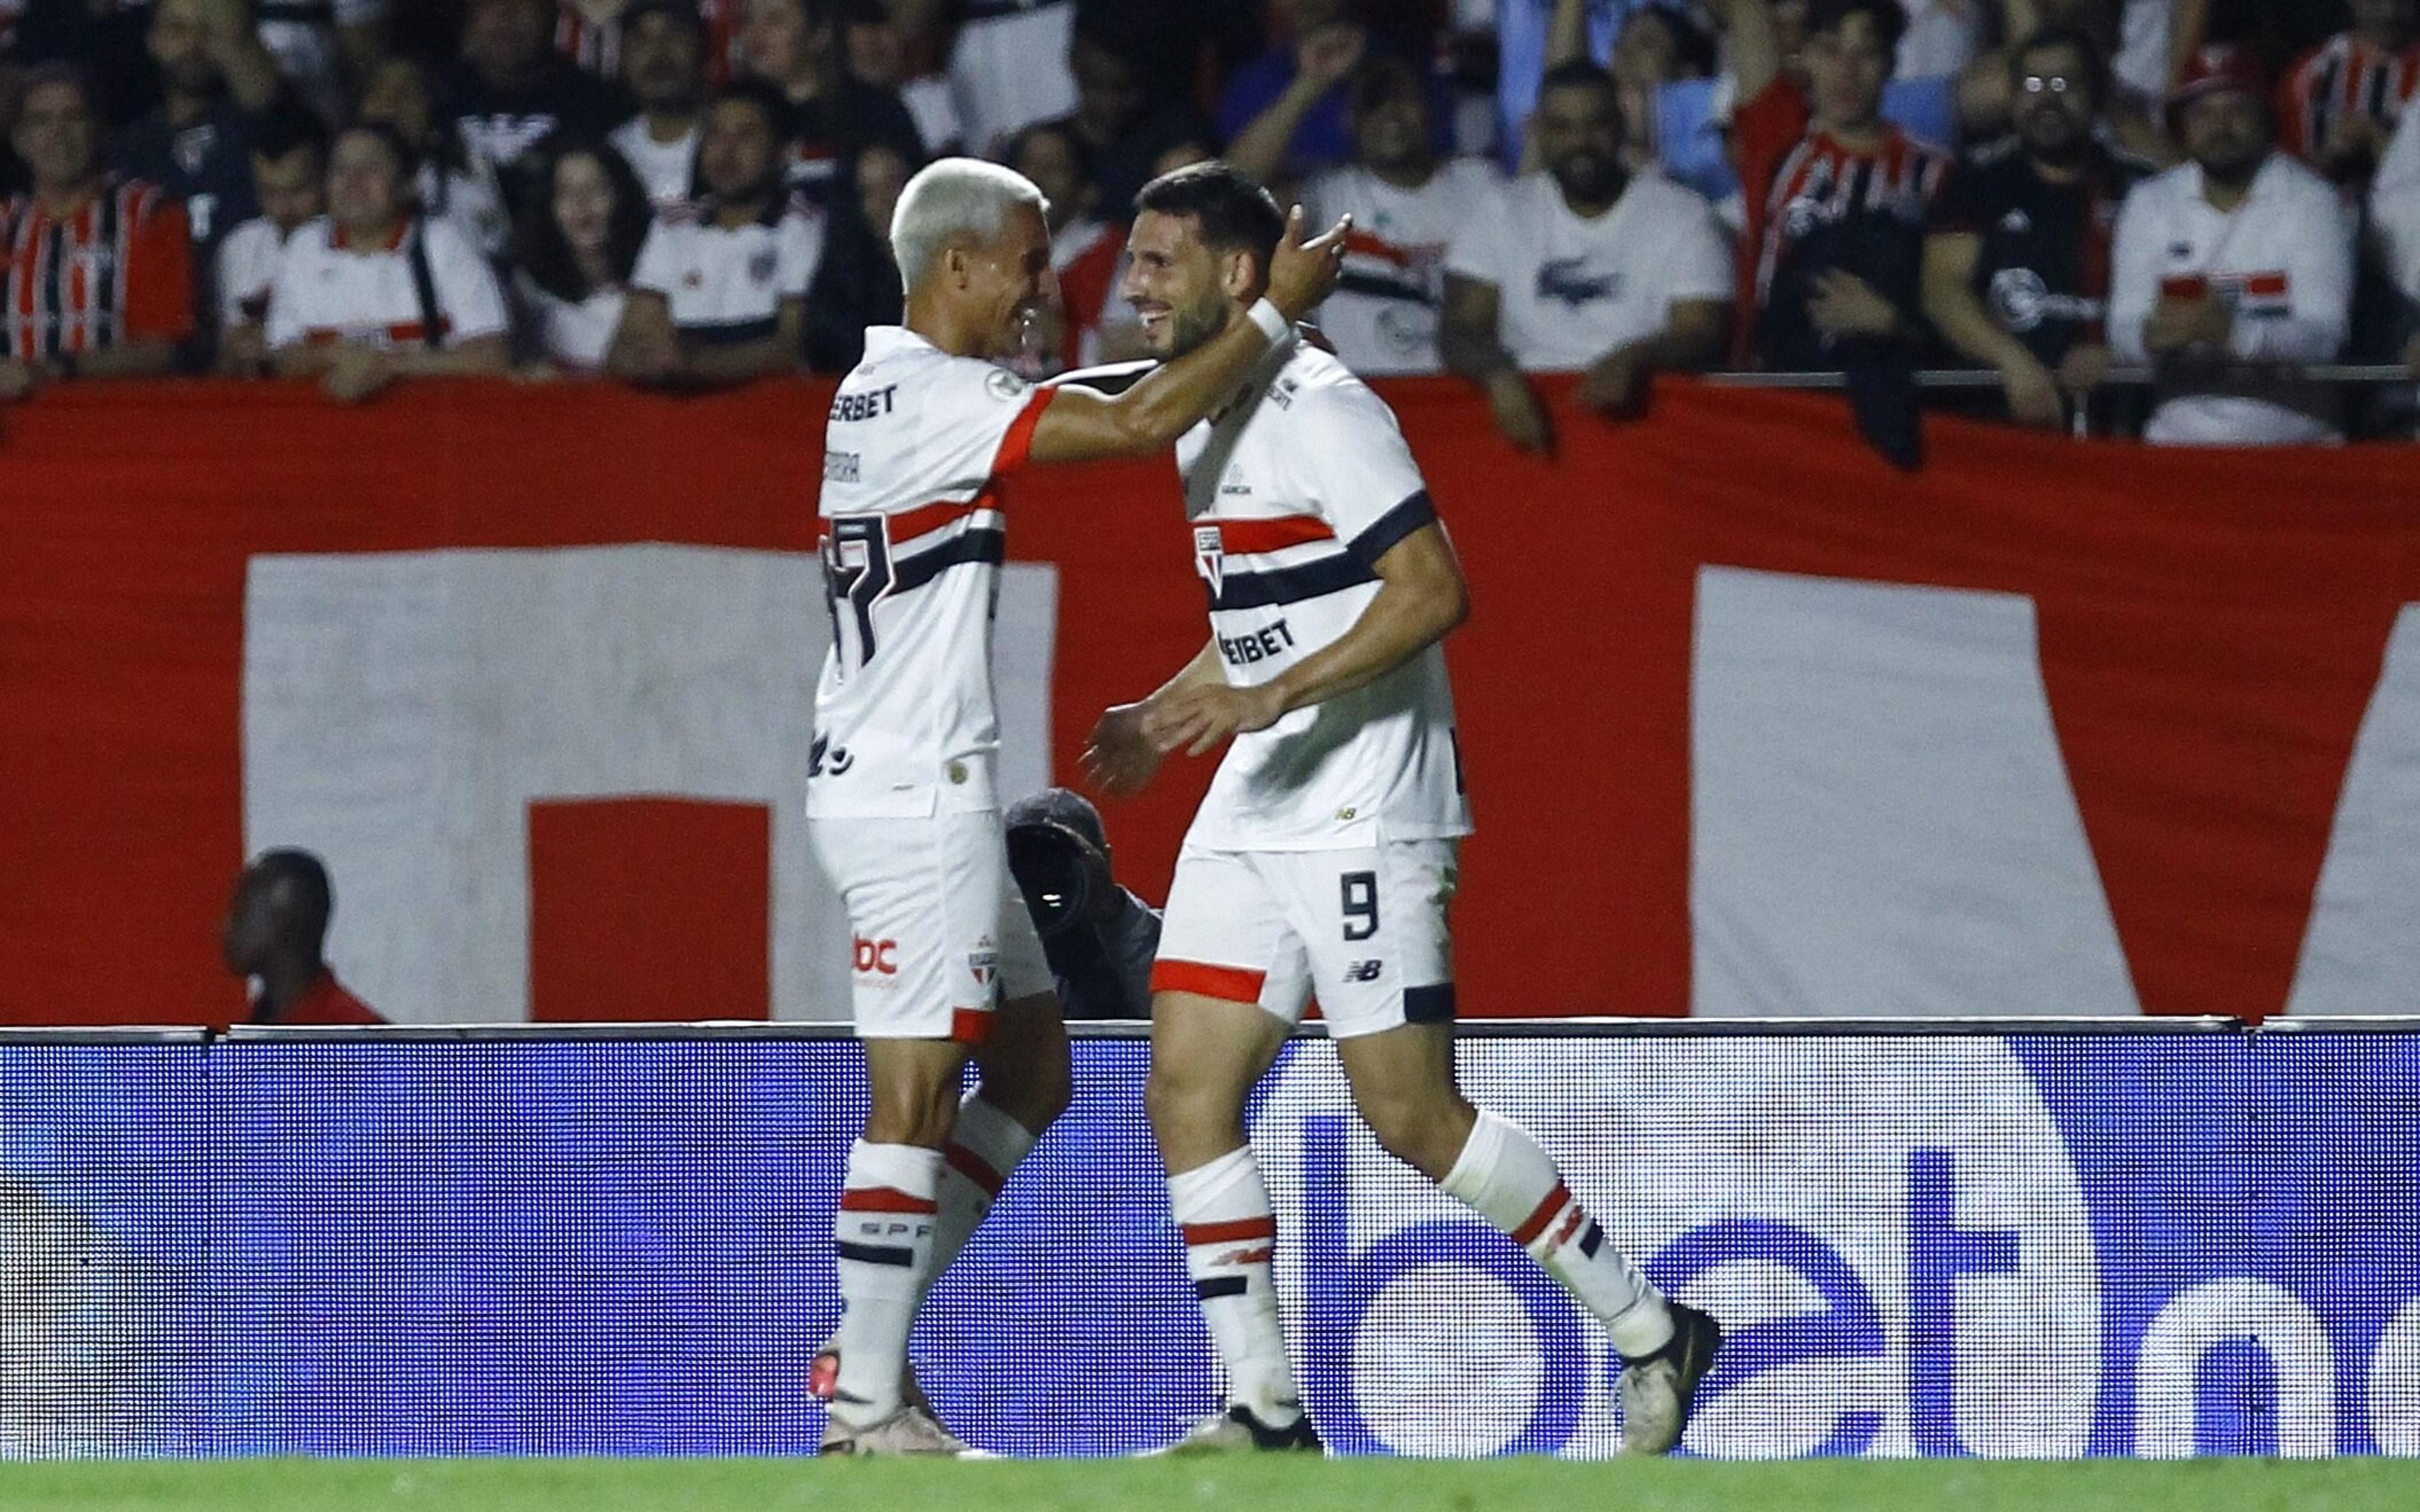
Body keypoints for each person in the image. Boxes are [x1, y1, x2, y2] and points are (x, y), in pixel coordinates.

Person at [1081, 159, 1721, 1458]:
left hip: (1371, 800)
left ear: (1239, 275)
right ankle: (1263, 1410)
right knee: (1183, 1091)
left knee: (1409, 1116)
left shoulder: (1325, 407)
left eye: (1158, 261)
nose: (1133, 286)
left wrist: (1276, 700)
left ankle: (1655, 1328)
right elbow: (1264, 623)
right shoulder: (1207, 420)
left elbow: (1432, 589)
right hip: (1261, 800)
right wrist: (1167, 711)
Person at [802, 156, 1346, 1456]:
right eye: (1033, 263)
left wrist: (1216, 343)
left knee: (1036, 1070)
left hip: (922, 787)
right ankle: (865, 1405)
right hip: (906, 797)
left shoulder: (899, 386)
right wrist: (1268, 315)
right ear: (958, 267)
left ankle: (868, 1348)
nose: (1052, 288)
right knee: (919, 1095)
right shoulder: (932, 398)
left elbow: (1091, 398)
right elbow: (1142, 425)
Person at [1439, 60, 1731, 452]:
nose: (1581, 142)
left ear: (1621, 125)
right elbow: (1460, 326)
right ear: (1539, 132)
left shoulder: (1682, 214)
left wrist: (1637, 359)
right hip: (1526, 432)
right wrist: (1498, 374)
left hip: (1650, 433)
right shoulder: (1500, 212)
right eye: (1562, 128)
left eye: (1596, 124)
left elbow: (1703, 331)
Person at [2108, 42, 2355, 445]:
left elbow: (2325, 335)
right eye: (2203, 113)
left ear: (2264, 119)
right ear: (2182, 126)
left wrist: (2232, 333)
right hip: (2179, 445)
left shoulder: (2312, 200)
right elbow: (2123, 328)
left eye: (2237, 110)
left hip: (2297, 445)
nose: (2220, 126)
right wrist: (2150, 337)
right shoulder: (2151, 201)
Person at [1230, 44, 1502, 379]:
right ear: (1350, 120)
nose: (1390, 114)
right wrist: (1310, 84)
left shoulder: (1481, 184)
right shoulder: (1328, 195)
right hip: (1359, 399)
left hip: (1460, 399)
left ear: (1431, 110)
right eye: (1373, 103)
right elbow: (1232, 189)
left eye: (1403, 99)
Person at [1922, 26, 2141, 428]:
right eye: (2032, 84)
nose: (2047, 99)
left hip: (2120, 424)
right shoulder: (1977, 183)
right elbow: (1941, 289)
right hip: (2002, 422)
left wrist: (2124, 354)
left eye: (2064, 83)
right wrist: (2012, 361)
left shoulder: (2141, 189)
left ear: (2095, 94)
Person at [1728, 0, 1953, 372]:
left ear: (1891, 66)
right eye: (1831, 50)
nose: (1847, 72)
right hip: (1776, 390)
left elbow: (1953, 300)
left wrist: (1894, 322)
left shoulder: (1932, 172)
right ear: (1807, 58)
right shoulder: (1777, 139)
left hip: (1891, 392)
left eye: (1866, 55)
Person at [265, 123, 513, 403]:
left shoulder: (445, 244)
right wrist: (330, 355)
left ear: (408, 183)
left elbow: (492, 357)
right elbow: (279, 359)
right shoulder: (304, 247)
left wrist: (387, 366)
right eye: (340, 169)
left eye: (371, 168)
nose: (352, 181)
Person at [609, 79, 822, 388]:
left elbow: (793, 347)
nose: (726, 151)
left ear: (782, 152)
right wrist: (646, 363)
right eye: (715, 135)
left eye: (746, 136)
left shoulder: (801, 225)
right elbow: (626, 343)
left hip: (768, 414)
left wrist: (693, 366)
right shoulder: (672, 225)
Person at [1, 64, 193, 402]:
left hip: (119, 419)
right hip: (18, 426)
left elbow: (164, 348)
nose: (58, 133)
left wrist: (57, 369)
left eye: (74, 117)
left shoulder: (149, 214)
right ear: (19, 140)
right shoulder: (4, 223)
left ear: (100, 130)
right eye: (41, 121)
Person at [113, 0, 284, 334]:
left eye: (207, 30)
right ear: (153, 40)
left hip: (245, 313)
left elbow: (260, 91)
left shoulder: (256, 123)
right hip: (161, 326)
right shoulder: (130, 145)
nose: (193, 44)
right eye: (178, 29)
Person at [736, 0, 923, 204]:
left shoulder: (874, 111)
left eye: (775, 20)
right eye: (747, 20)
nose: (756, 32)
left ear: (819, 34)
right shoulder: (733, 118)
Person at [1004, 786, 1160, 1021]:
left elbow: (1178, 1016)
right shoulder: (989, 940)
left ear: (1104, 861)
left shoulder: (1162, 941)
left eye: (1060, 864)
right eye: (1029, 863)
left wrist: (1115, 913)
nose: (1045, 877)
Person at [441, 0, 621, 188]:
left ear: (550, 15)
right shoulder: (439, 95)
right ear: (471, 18)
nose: (505, 14)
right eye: (489, 3)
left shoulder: (593, 101)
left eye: (523, 3)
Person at [514, 135, 650, 372]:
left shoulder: (652, 285)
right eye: (566, 192)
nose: (581, 202)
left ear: (621, 197)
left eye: (596, 188)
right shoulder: (529, 293)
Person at [360, 54, 512, 259]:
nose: (389, 104)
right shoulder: (336, 184)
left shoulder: (464, 194)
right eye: (379, 91)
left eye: (407, 94)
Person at [216, 106, 327, 375]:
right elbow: (226, 366)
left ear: (327, 179)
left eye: (297, 191)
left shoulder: (353, 243)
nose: (283, 209)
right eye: (269, 192)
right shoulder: (241, 246)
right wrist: (238, 351)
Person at [222, 849, 388, 1026]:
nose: (226, 926)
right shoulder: (251, 1027)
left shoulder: (362, 1041)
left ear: (287, 922)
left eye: (241, 914)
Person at [2275, 0, 2417, 188]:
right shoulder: (2306, 76)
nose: (2390, 10)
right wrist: (2328, 160)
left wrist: (2383, 145)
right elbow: (2280, 179)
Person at [609, 0, 709, 210]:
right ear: (623, 59)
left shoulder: (735, 142)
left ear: (699, 46)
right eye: (641, 40)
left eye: (674, 33)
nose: (658, 53)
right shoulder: (612, 156)